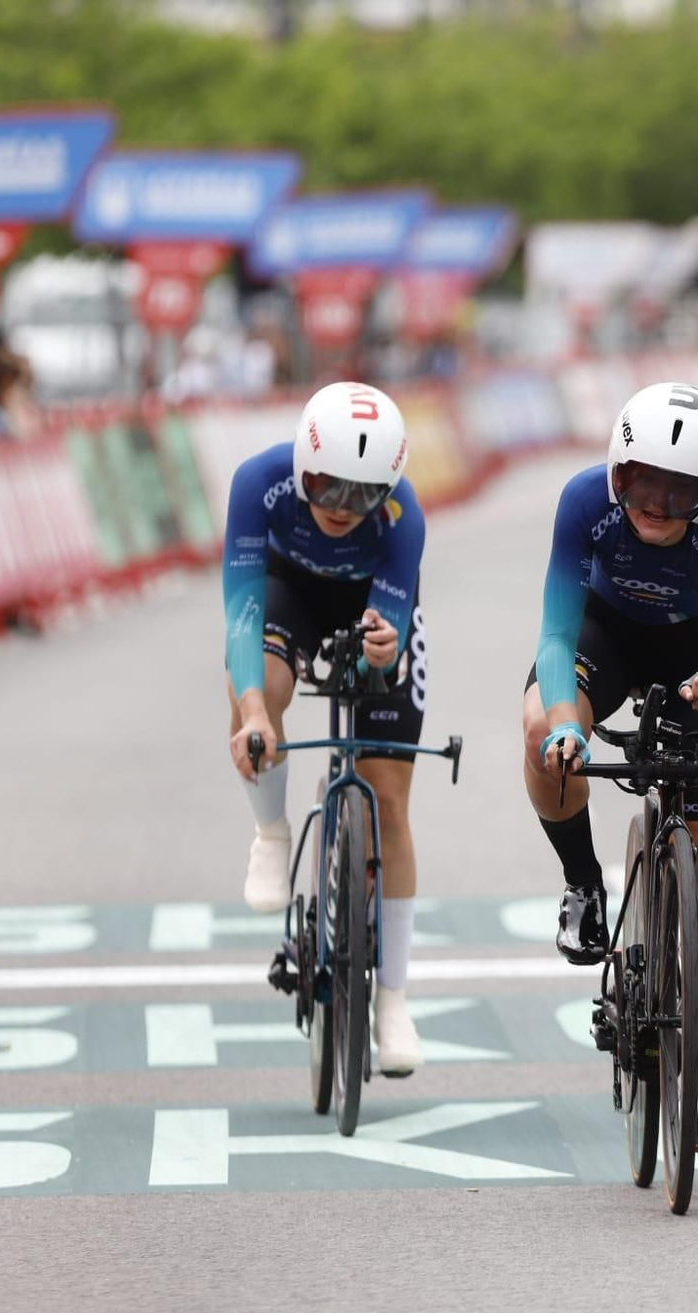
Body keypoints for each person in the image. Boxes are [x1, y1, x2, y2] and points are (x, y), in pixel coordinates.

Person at [522, 381, 698, 1147]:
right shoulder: (584, 503)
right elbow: (555, 638)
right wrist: (565, 724)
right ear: (616, 469)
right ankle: (584, 883)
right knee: (537, 727)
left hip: (696, 662)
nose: (653, 500)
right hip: (604, 637)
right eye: (639, 478)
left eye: (676, 486)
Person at [222, 382, 430, 1075]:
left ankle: (393, 997)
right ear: (301, 462)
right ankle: (272, 831)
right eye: (326, 487)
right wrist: (254, 710)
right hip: (287, 596)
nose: (342, 508)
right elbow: (243, 612)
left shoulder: (405, 516)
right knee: (261, 696)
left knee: (390, 802)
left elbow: (395, 627)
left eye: (362, 494)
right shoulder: (259, 482)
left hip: (368, 609)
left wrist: (384, 644)